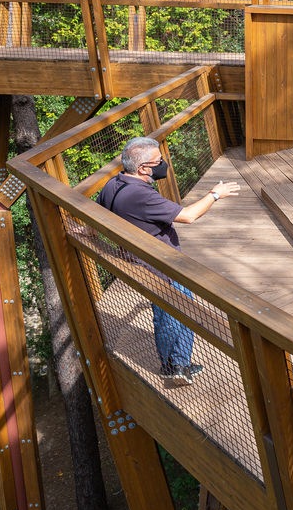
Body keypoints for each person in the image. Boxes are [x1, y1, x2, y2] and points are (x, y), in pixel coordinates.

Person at [96, 137, 240, 385]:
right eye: (159, 161)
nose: (164, 164)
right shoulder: (141, 196)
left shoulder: (113, 184)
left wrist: (88, 230)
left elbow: (99, 212)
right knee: (174, 314)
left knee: (170, 313)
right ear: (143, 168)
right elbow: (188, 215)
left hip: (137, 258)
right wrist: (215, 194)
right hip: (161, 265)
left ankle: (178, 363)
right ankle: (173, 367)